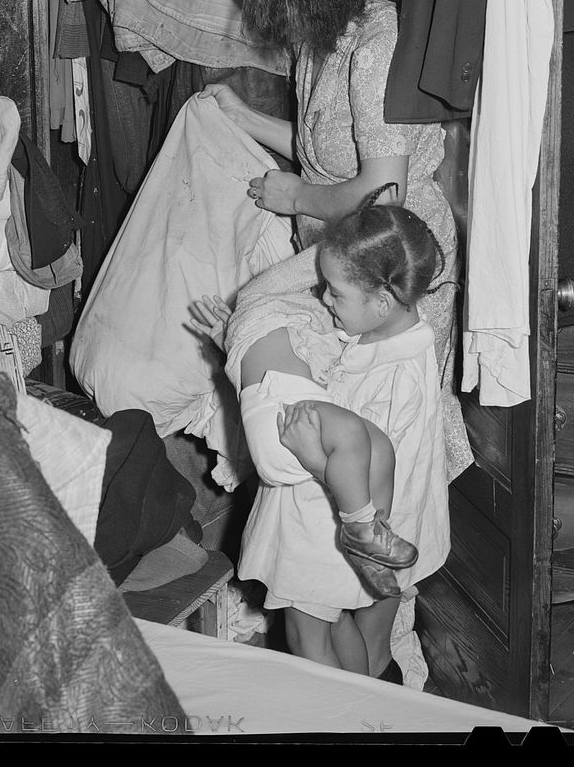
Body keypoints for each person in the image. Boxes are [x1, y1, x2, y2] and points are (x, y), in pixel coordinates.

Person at [199, 0, 471, 479]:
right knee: (334, 420)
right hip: (341, 254)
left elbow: (384, 189)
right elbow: (328, 145)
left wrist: (295, 197)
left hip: (388, 259)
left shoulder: (377, 48)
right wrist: (242, 116)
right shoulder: (319, 39)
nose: (253, 12)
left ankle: (389, 546)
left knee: (382, 426)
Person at [190, 189, 450, 678]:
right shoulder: (376, 330)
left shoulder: (400, 375)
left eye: (335, 292)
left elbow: (363, 458)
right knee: (337, 631)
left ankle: (355, 708)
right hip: (345, 519)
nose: (323, 300)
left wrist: (313, 459)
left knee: (329, 638)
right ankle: (368, 697)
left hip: (356, 518)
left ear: (381, 300)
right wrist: (243, 339)